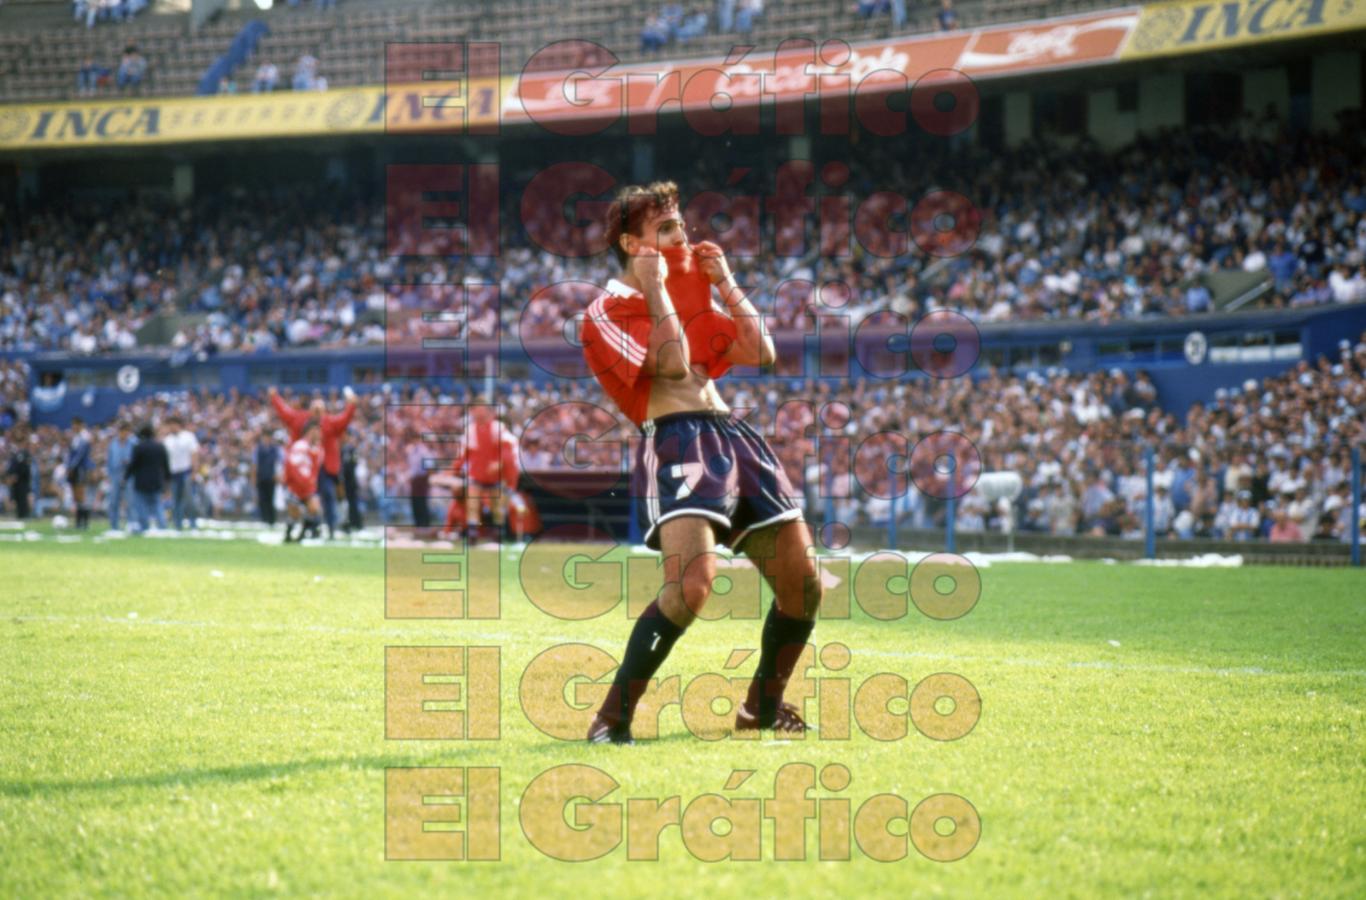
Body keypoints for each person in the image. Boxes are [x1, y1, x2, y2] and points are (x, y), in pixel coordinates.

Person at [578, 181, 821, 743]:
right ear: (631, 244)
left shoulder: (691, 292)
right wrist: (659, 289)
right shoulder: (604, 310)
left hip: (732, 433)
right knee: (691, 587)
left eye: (680, 225)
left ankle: (761, 705)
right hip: (677, 438)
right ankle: (611, 719)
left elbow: (760, 351)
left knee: (804, 583)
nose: (681, 236)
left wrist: (726, 285)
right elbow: (670, 363)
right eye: (665, 230)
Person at [269, 385, 356, 539]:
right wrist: (275, 398)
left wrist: (351, 405)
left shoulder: (328, 427)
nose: (317, 433)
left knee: (324, 498)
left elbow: (345, 419)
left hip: (323, 470)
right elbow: (284, 413)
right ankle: (299, 529)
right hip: (301, 473)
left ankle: (326, 528)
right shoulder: (300, 437)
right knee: (298, 503)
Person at [282, 421, 325, 543]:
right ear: (309, 432)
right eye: (316, 430)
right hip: (295, 487)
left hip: (308, 487)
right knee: (294, 514)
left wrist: (311, 483)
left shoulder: (319, 449)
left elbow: (315, 469)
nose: (319, 434)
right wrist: (301, 482)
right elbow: (293, 467)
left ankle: (303, 534)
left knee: (314, 509)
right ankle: (288, 534)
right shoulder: (299, 446)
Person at [126, 422, 169, 533]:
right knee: (157, 504)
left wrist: (126, 476)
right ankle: (162, 525)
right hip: (156, 480)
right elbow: (166, 465)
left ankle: (144, 526)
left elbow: (133, 465)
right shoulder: (160, 447)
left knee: (141, 505)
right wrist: (167, 479)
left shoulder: (139, 447)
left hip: (141, 481)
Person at [164, 416, 199, 530]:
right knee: (175, 501)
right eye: (170, 425)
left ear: (178, 424)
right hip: (174, 473)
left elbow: (194, 454)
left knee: (189, 500)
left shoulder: (188, 437)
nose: (171, 427)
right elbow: (166, 459)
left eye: (173, 424)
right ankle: (177, 524)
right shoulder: (167, 440)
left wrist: (194, 471)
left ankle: (193, 523)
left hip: (186, 472)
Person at [105, 421, 135, 530]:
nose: (124, 434)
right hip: (115, 474)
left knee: (130, 501)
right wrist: (109, 476)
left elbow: (136, 460)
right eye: (122, 431)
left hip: (129, 474)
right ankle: (114, 526)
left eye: (126, 431)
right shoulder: (113, 443)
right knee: (113, 501)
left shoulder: (133, 443)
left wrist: (129, 462)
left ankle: (132, 524)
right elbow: (109, 461)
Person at [66, 417, 94, 529]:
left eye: (75, 425)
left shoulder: (84, 437)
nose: (73, 427)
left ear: (80, 425)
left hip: (80, 469)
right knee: (76, 496)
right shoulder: (76, 437)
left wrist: (71, 467)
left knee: (80, 494)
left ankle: (84, 522)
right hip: (75, 468)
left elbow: (80, 455)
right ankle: (79, 522)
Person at [6, 425, 34, 520]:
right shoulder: (14, 453)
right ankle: (20, 516)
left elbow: (26, 468)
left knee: (23, 499)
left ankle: (25, 516)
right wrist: (10, 475)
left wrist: (16, 475)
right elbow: (11, 466)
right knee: (17, 499)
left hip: (23, 480)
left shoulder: (26, 454)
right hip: (15, 482)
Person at [254, 428, 281, 527]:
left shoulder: (275, 449)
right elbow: (255, 464)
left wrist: (278, 475)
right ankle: (264, 520)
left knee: (271, 499)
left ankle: (272, 520)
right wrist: (255, 477)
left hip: (271, 477)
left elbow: (279, 463)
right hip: (261, 477)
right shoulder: (259, 449)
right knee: (262, 500)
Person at [341, 443, 363, 533]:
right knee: (347, 505)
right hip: (345, 482)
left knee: (352, 504)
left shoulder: (350, 449)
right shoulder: (344, 449)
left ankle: (355, 524)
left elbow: (353, 464)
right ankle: (349, 524)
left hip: (350, 482)